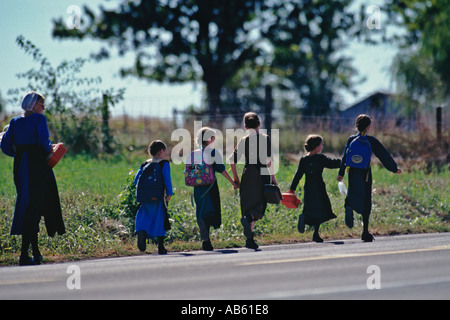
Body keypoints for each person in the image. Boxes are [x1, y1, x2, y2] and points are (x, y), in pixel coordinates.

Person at [0, 91, 65, 266]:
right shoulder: (39, 120)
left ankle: (34, 253)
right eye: (41, 104)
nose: (43, 107)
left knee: (28, 205)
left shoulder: (14, 122)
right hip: (37, 166)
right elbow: (43, 142)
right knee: (36, 207)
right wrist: (52, 148)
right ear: (33, 104)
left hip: (21, 166)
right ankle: (25, 254)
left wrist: (20, 154)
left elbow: (5, 146)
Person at [337, 114, 402, 242]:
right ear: (368, 127)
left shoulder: (351, 139)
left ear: (356, 126)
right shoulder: (371, 140)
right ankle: (365, 232)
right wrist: (394, 168)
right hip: (365, 173)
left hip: (352, 171)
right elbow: (383, 155)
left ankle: (348, 205)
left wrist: (341, 173)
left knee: (352, 192)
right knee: (366, 199)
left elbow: (345, 157)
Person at [230, 112, 277, 249]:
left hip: (248, 173)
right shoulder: (265, 138)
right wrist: (273, 178)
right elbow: (268, 161)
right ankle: (250, 221)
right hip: (262, 173)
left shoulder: (243, 140)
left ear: (245, 126)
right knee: (259, 205)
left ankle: (249, 239)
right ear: (259, 124)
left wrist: (236, 178)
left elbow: (232, 160)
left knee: (247, 205)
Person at [289, 135, 341, 242]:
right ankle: (315, 233)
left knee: (309, 207)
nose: (322, 147)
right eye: (321, 145)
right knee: (321, 208)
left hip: (308, 188)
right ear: (317, 147)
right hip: (319, 187)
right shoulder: (320, 158)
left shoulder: (304, 159)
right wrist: (345, 161)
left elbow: (298, 175)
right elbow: (333, 163)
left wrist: (292, 189)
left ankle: (304, 218)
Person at [193, 127, 238, 251]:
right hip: (210, 187)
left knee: (201, 211)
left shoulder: (195, 153)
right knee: (211, 210)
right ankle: (207, 240)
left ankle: (205, 239)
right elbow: (221, 169)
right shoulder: (213, 152)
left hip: (197, 188)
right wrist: (233, 182)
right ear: (211, 139)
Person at [134, 140, 173, 254]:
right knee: (160, 218)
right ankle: (161, 247)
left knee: (143, 215)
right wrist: (169, 193)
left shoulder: (145, 164)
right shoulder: (164, 164)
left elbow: (136, 180)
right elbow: (167, 180)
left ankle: (141, 231)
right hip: (158, 197)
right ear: (161, 151)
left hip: (144, 197)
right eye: (165, 151)